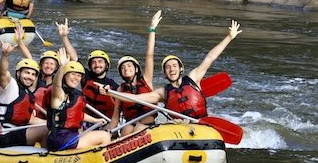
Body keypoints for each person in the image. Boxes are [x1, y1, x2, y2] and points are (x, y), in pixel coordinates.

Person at [100, 20, 243, 119]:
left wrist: (229, 37)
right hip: (179, 127)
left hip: (200, 123)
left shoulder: (194, 77)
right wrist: (110, 93)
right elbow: (137, 98)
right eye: (168, 67)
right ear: (165, 73)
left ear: (181, 69)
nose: (171, 69)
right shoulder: (162, 93)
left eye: (174, 66)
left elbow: (210, 57)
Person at [45, 48, 111, 151]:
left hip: (65, 137)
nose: (76, 78)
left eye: (79, 75)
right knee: (105, 136)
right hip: (62, 139)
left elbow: (77, 114)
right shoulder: (59, 94)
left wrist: (95, 120)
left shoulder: (73, 95)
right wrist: (62, 67)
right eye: (72, 74)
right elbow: (56, 84)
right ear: (65, 75)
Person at [109, 10, 162, 136]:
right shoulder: (121, 89)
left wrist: (152, 29)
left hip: (147, 125)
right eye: (123, 68)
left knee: (139, 128)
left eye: (129, 65)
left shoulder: (146, 79)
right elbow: (116, 116)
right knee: (127, 130)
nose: (126, 68)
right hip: (130, 125)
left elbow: (150, 54)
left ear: (136, 69)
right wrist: (109, 132)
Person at [0, 40, 48, 148]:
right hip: (4, 135)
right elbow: (2, 72)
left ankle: (45, 155)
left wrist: (51, 122)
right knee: (47, 129)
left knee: (50, 126)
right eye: (26, 72)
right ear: (18, 73)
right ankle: (48, 158)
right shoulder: (10, 86)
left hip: (17, 131)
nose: (30, 76)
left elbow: (31, 120)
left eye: (33, 74)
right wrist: (5, 55)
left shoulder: (26, 92)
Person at [57, 18, 119, 121]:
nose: (97, 65)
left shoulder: (113, 85)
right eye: (93, 62)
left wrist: (111, 93)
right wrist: (64, 37)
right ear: (90, 66)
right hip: (86, 119)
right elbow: (74, 58)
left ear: (106, 66)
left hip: (105, 121)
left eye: (100, 62)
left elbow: (122, 102)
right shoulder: (86, 76)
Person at [14, 21, 60, 118]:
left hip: (49, 115)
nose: (48, 66)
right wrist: (19, 41)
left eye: (52, 64)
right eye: (46, 63)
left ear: (56, 68)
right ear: (41, 65)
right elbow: (29, 58)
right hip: (32, 114)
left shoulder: (58, 82)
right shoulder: (34, 78)